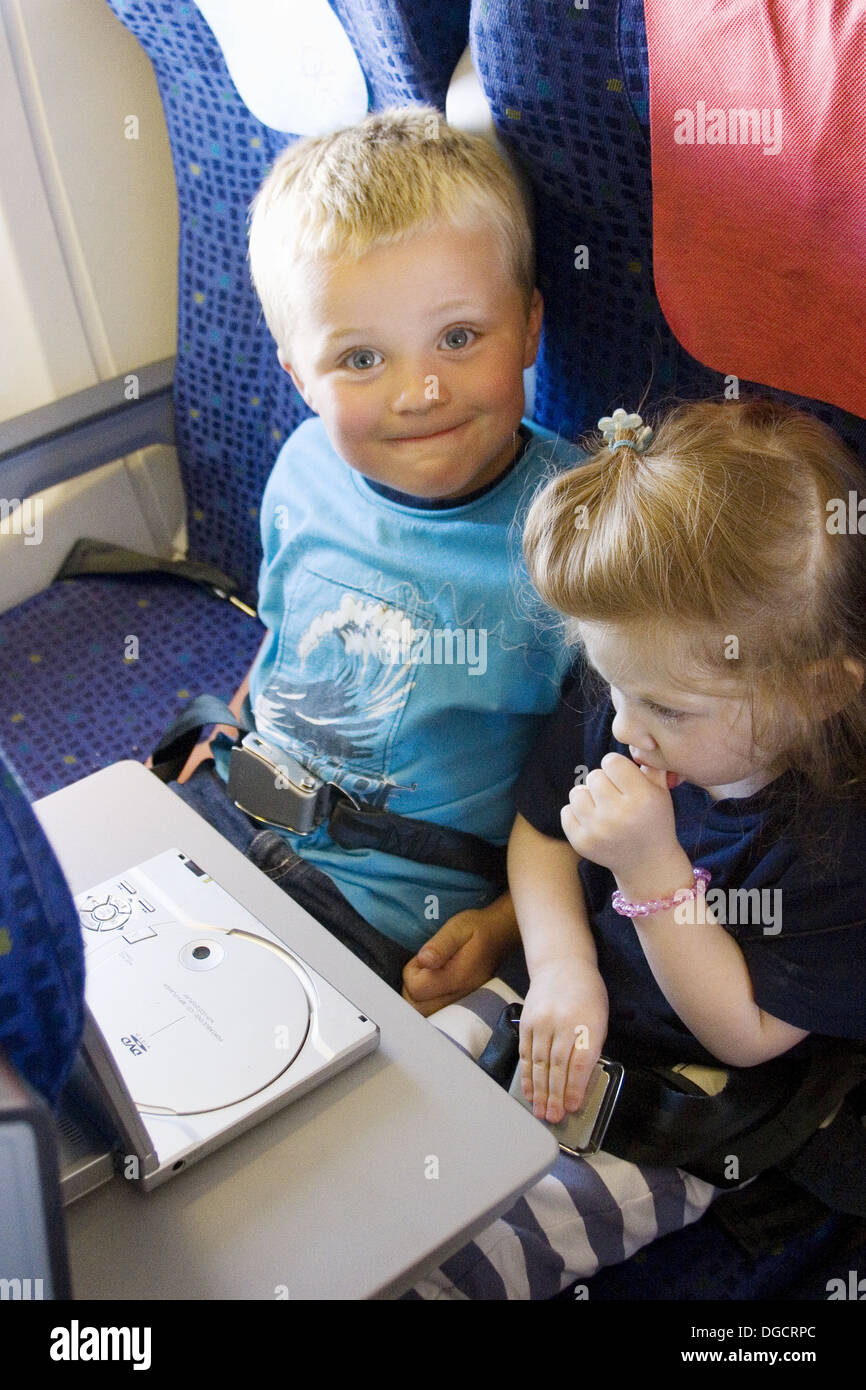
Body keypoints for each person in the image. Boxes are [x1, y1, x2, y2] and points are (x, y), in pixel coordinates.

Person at [411, 397, 866, 1299]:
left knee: (466, 1260)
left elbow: (748, 1034)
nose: (623, 726)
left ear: (815, 693)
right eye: (612, 684)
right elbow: (544, 831)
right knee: (381, 1111)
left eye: (667, 709)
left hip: (686, 1094)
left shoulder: (836, 839)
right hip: (556, 992)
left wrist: (653, 872)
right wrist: (561, 968)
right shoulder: (643, 684)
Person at [168, 106, 581, 1001]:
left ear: (531, 326)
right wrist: (229, 737)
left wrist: (512, 922)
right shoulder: (304, 468)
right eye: (360, 359)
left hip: (392, 903)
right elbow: (284, 637)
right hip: (230, 806)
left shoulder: (581, 533)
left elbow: (625, 782)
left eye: (460, 339)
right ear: (296, 375)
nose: (418, 392)